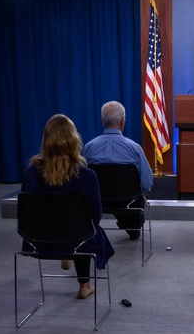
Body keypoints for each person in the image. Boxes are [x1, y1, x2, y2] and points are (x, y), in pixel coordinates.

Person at [22, 114, 114, 300]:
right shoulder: (86, 176)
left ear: (46, 141)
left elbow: (26, 211)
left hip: (38, 239)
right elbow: (95, 215)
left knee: (78, 230)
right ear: (73, 139)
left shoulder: (31, 172)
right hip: (76, 236)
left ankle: (68, 250)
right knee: (86, 231)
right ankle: (84, 285)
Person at [82, 101, 152, 240]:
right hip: (129, 200)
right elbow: (147, 183)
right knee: (128, 200)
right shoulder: (135, 148)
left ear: (103, 121)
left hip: (98, 200)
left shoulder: (89, 147)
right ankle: (131, 224)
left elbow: (83, 178)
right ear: (122, 122)